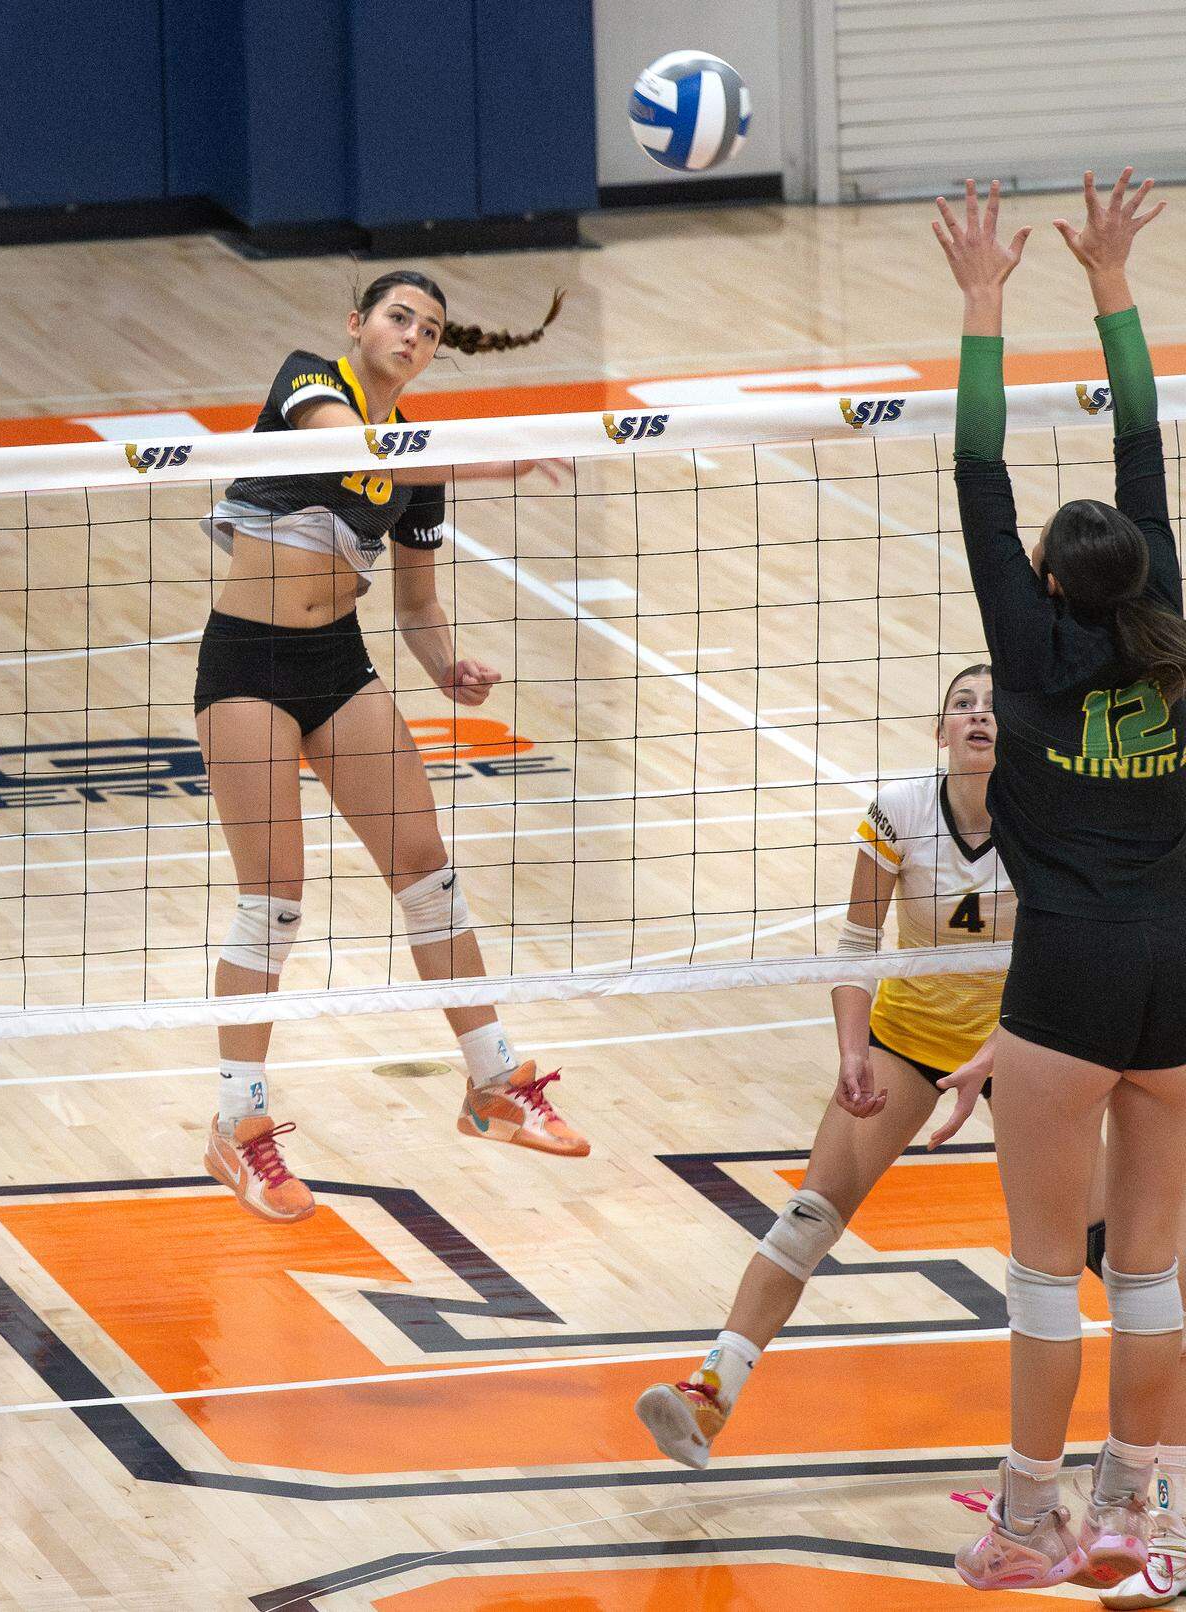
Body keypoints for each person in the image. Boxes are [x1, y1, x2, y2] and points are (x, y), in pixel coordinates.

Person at [195, 271, 588, 1224]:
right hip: (247, 664)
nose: (412, 335)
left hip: (338, 661)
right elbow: (362, 448)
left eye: (430, 329)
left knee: (427, 871)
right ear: (357, 324)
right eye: (398, 317)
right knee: (273, 901)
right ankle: (237, 1127)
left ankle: (493, 1085)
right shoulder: (308, 383)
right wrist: (489, 462)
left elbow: (414, 604)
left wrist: (449, 666)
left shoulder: (422, 461)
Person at [933, 169, 1186, 1595]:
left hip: (1071, 976)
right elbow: (1147, 444)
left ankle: (1029, 1524)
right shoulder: (1172, 634)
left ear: (1038, 580)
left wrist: (985, 297)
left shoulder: (1024, 658)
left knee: (1046, 1275)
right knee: (1148, 1277)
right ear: (1142, 571)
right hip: (1180, 971)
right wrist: (1113, 282)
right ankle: (1148, 1517)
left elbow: (979, 467)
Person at [636, 663, 1029, 1466]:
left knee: (1098, 1233)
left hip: (1022, 1037)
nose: (978, 716)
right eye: (962, 704)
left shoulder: (1047, 823)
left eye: (993, 706)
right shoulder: (902, 810)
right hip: (909, 1038)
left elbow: (1062, 960)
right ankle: (710, 1397)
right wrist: (853, 1049)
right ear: (940, 730)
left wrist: (995, 1056)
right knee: (809, 1216)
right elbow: (856, 943)